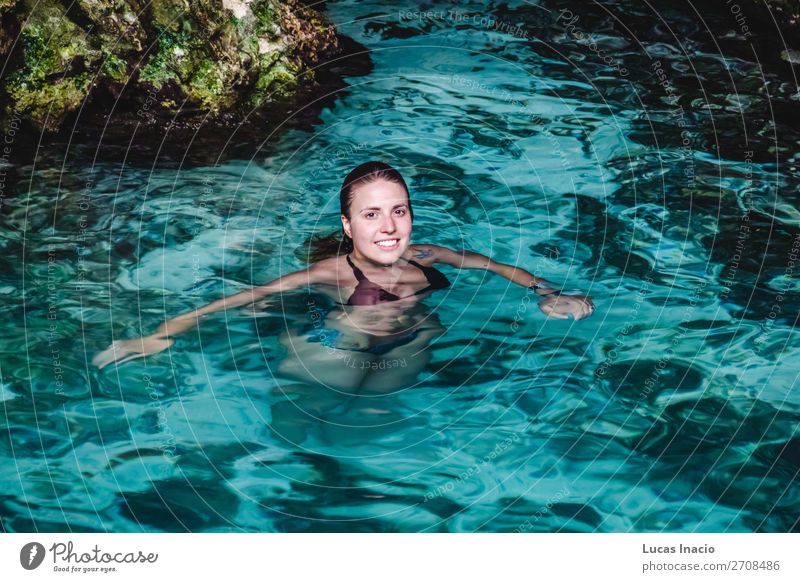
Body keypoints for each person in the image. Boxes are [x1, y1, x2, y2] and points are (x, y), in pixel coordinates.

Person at [93, 161, 595, 381]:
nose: (389, 225)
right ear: (348, 225)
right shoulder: (332, 271)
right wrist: (160, 335)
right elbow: (237, 297)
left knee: (383, 401)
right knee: (313, 390)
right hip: (339, 338)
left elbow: (496, 266)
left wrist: (548, 292)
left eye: (399, 210)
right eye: (371, 214)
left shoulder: (429, 255)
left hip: (407, 341)